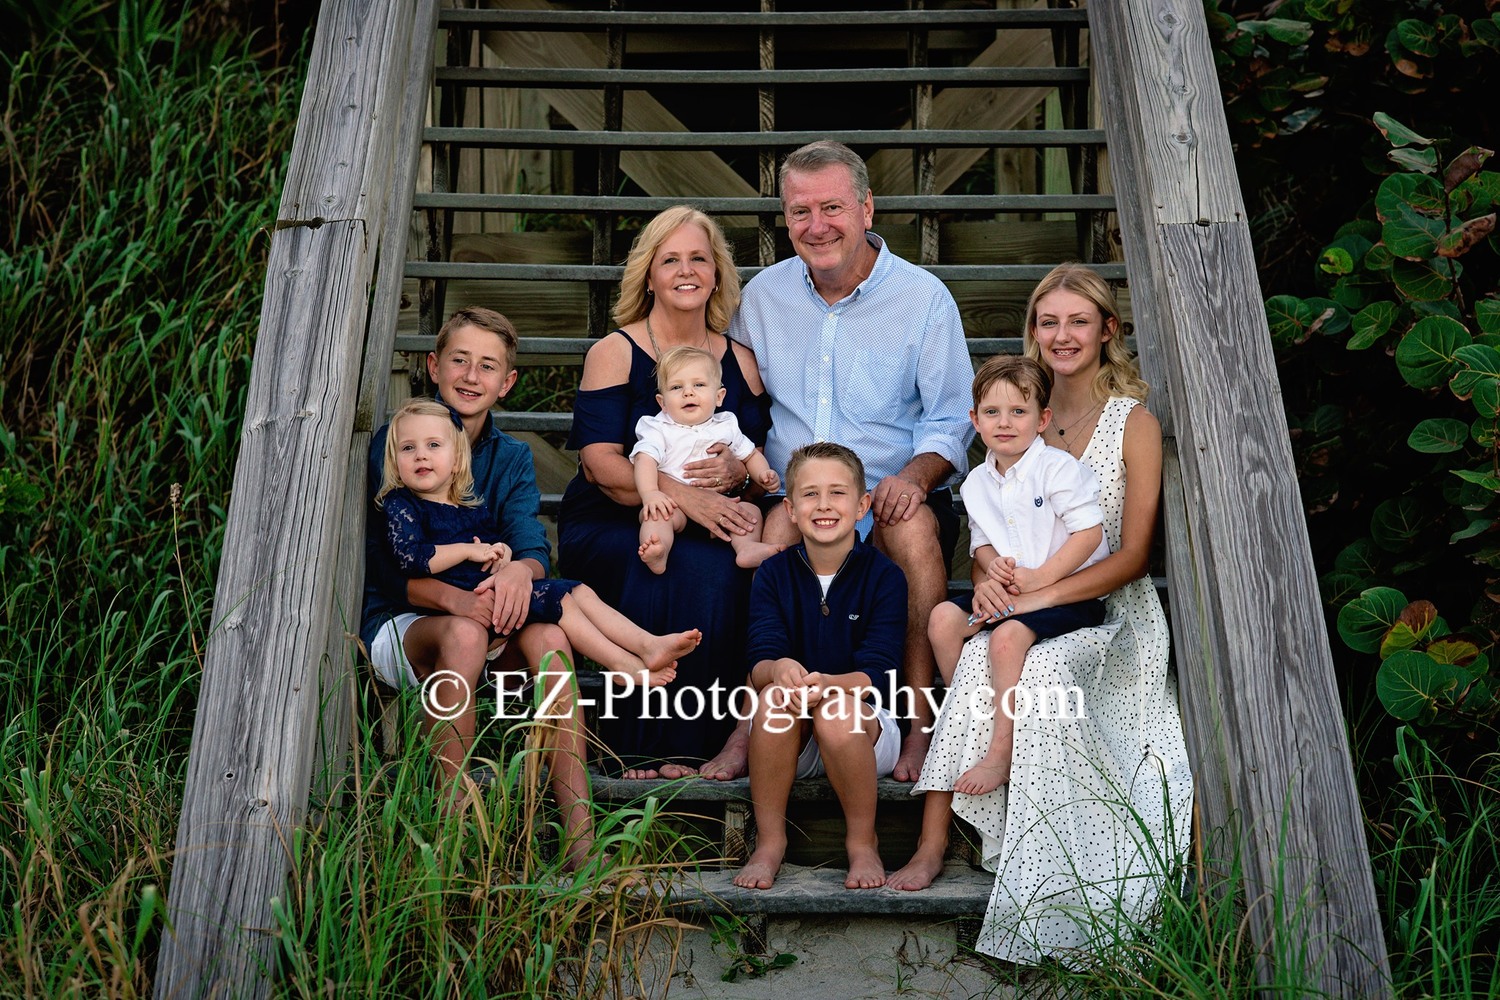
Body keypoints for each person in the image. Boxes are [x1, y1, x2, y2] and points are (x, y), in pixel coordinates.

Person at [887, 265, 1195, 969]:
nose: (1061, 335)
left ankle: (967, 833)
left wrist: (1030, 603)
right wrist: (988, 582)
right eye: (1047, 322)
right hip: (1024, 604)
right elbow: (989, 537)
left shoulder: (1133, 423)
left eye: (1078, 322)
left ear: (1106, 331)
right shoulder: (1013, 411)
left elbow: (1134, 555)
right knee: (961, 630)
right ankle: (945, 830)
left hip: (1108, 612)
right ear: (1033, 332)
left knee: (1030, 655)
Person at [727, 140, 973, 782]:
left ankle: (920, 727)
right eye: (800, 211)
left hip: (887, 489)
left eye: (832, 207)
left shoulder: (923, 299)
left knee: (915, 530)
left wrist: (915, 478)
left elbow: (951, 417)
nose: (817, 226)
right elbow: (736, 401)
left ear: (867, 207)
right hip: (792, 492)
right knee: (777, 530)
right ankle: (756, 721)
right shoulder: (762, 298)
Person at [359, 307, 593, 861]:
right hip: (408, 624)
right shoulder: (401, 442)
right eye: (459, 361)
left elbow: (532, 545)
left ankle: (582, 842)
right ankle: (449, 836)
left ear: (506, 382)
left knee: (554, 643)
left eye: (487, 366)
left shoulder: (510, 457)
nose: (470, 376)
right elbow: (394, 571)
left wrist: (519, 570)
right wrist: (461, 603)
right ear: (433, 365)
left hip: (486, 620)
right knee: (463, 635)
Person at [558, 206, 771, 778]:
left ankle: (716, 747)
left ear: (718, 273)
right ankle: (645, 750)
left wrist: (739, 475)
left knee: (740, 569)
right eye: (669, 259)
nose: (685, 270)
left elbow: (753, 461)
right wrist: (686, 497)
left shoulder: (741, 363)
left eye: (699, 257)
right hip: (613, 518)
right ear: (647, 275)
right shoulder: (616, 351)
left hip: (715, 521)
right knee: (674, 567)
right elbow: (600, 463)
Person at [376, 397, 701, 689]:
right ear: (394, 461)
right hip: (468, 613)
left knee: (579, 591)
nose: (421, 455)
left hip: (495, 606)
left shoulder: (468, 507)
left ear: (458, 459)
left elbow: (491, 545)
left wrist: (501, 556)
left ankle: (646, 645)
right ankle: (622, 663)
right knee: (563, 602)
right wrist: (467, 550)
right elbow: (412, 558)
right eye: (408, 448)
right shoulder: (402, 505)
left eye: (433, 445)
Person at [927, 354, 1109, 797]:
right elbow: (981, 545)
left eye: (1018, 411)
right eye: (991, 412)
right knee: (942, 620)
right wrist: (991, 572)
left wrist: (1042, 577)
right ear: (974, 419)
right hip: (1010, 594)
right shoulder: (974, 483)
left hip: (1069, 598)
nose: (1004, 422)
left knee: (1006, 638)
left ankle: (1001, 751)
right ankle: (972, 717)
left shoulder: (1058, 470)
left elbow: (1089, 534)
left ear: (1042, 418)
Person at [732, 443, 906, 892]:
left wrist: (829, 684)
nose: (824, 505)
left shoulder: (884, 575)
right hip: (793, 737)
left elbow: (880, 671)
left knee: (836, 711)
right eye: (810, 495)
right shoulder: (774, 574)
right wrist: (781, 670)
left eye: (837, 493)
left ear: (862, 504)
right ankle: (770, 842)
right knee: (771, 700)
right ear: (790, 509)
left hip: (866, 730)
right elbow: (760, 659)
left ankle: (862, 842)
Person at [632, 345, 782, 574]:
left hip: (723, 506)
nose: (688, 393)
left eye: (699, 385)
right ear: (662, 403)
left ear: (719, 396)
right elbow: (645, 460)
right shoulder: (658, 428)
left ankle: (746, 548)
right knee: (656, 516)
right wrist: (650, 493)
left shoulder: (726, 425)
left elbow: (750, 454)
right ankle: (659, 549)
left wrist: (764, 474)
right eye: (676, 387)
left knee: (749, 512)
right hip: (677, 506)